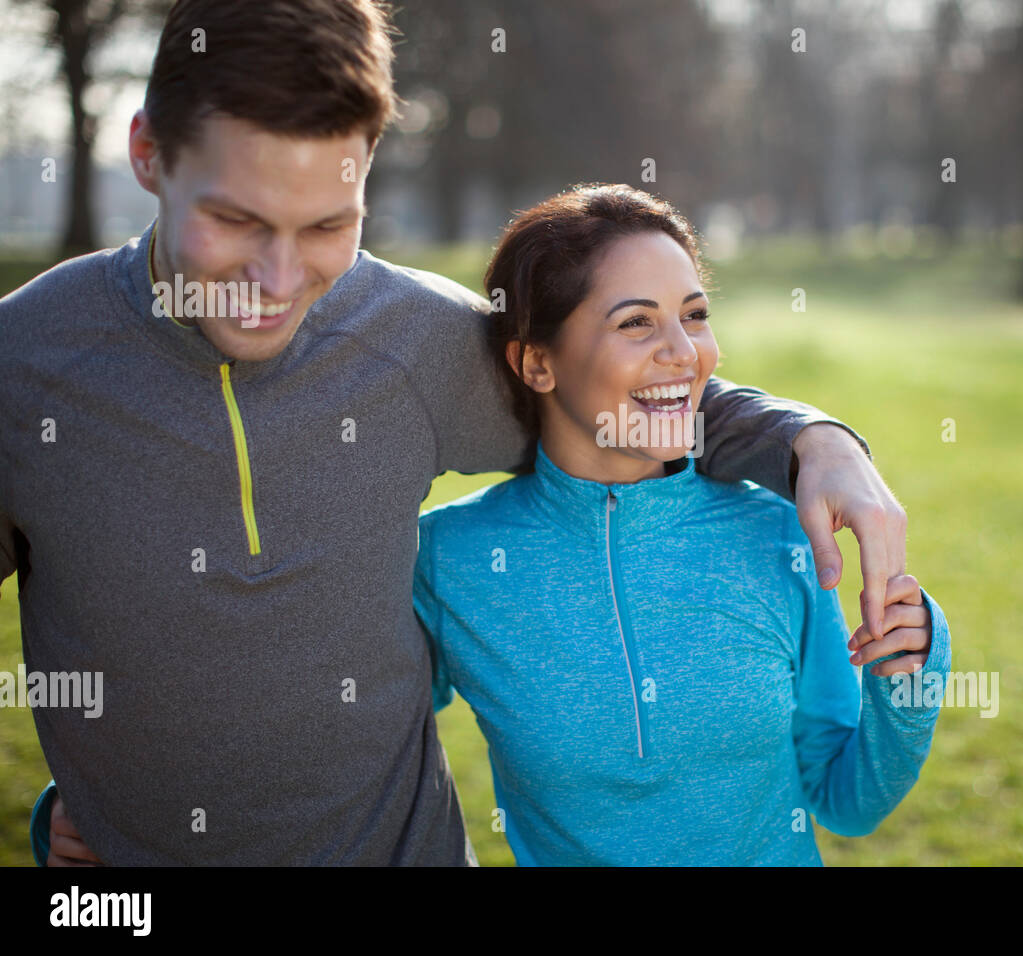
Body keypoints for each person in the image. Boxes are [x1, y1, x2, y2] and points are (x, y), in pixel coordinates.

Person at [3, 0, 908, 866]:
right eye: (236, 221)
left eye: (328, 225)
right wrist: (98, 794)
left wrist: (810, 439)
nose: (279, 278)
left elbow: (610, 395)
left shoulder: (418, 339)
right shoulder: (24, 367)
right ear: (149, 153)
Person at [412, 184, 949, 864]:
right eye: (636, 322)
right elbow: (361, 744)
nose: (685, 352)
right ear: (536, 362)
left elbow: (846, 800)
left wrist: (908, 678)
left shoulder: (779, 535)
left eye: (694, 316)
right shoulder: (450, 560)